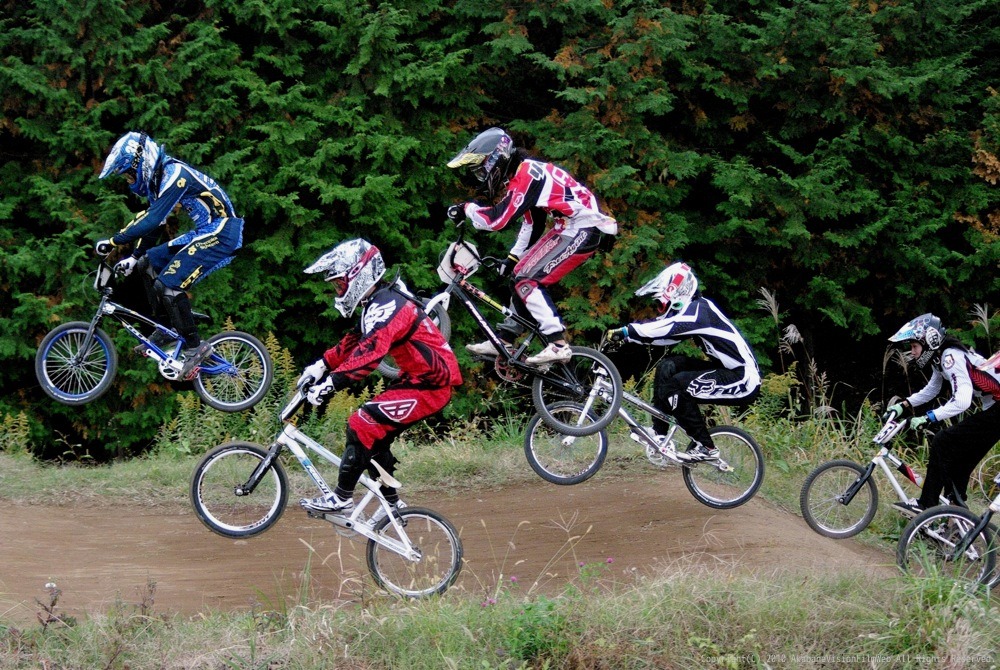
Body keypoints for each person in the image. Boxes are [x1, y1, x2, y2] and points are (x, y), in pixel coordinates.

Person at [296, 238, 463, 518]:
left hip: (432, 386)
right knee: (373, 436)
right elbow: (355, 340)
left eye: (340, 284)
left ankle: (342, 499)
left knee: (361, 423)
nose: (338, 291)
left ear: (358, 276)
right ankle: (394, 506)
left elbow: (369, 354)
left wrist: (331, 384)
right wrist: (321, 365)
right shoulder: (378, 301)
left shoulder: (389, 306)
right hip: (419, 381)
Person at [446, 127, 617, 366]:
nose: (481, 176)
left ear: (497, 157)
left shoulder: (528, 174)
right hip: (567, 226)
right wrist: (512, 259)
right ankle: (504, 340)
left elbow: (497, 220)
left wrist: (467, 209)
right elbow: (533, 223)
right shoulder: (524, 173)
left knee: (527, 281)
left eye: (481, 168)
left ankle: (558, 343)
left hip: (584, 227)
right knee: (519, 275)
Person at [94, 131, 244, 379]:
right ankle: (167, 327)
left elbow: (151, 219)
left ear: (141, 162)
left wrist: (113, 241)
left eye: (130, 174)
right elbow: (156, 225)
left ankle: (196, 347)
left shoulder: (175, 174)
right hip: (205, 231)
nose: (130, 181)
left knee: (170, 284)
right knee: (148, 262)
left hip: (223, 230)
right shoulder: (159, 182)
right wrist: (134, 256)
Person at [604, 262, 761, 462]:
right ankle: (658, 433)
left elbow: (667, 328)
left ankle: (706, 447)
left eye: (663, 301)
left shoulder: (700, 311)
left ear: (679, 291)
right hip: (725, 369)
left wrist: (627, 330)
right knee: (668, 367)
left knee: (676, 386)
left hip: (743, 378)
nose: (662, 308)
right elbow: (665, 338)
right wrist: (628, 338)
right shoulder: (696, 310)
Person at [884, 313, 1000, 516]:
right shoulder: (940, 358)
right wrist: (904, 405)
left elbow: (962, 401)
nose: (913, 353)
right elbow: (932, 389)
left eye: (914, 347)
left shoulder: (950, 357)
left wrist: (929, 417)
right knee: (960, 463)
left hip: (998, 410)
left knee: (942, 441)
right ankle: (954, 519)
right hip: (994, 410)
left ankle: (926, 505)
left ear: (930, 340)